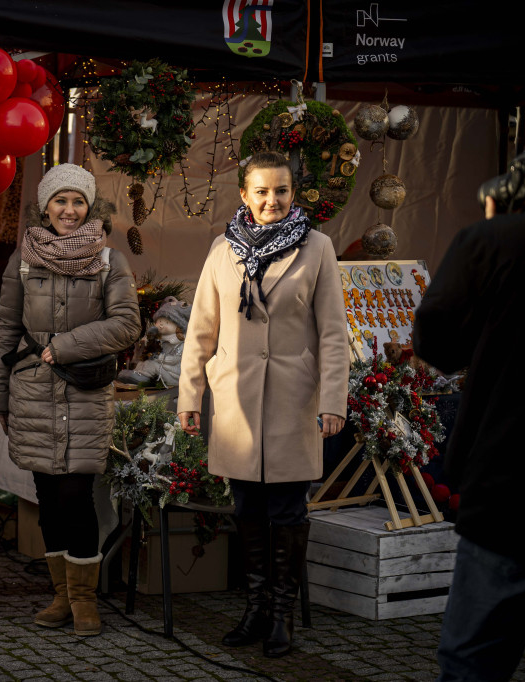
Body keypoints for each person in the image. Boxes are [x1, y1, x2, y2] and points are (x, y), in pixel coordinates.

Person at [177, 151, 349, 658]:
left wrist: (334, 398)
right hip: (235, 401)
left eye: (281, 190)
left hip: (295, 401)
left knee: (288, 510)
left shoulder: (317, 247)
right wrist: (190, 396)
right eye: (262, 191)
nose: (271, 200)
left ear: (293, 193)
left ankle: (281, 615)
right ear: (244, 195)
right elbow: (199, 331)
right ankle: (253, 609)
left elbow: (335, 334)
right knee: (247, 507)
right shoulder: (221, 249)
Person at [0, 163, 141, 637]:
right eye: (60, 201)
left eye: (78, 202)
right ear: (45, 207)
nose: (69, 211)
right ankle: (61, 597)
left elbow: (127, 324)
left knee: (76, 494)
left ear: (90, 206)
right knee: (48, 496)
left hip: (85, 390)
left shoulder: (110, 261)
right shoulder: (24, 258)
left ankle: (85, 600)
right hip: (32, 389)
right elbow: (8, 328)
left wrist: (65, 345)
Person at [414, 189, 525, 682]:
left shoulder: (499, 239)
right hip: (506, 486)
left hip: (510, 485)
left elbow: (438, 342)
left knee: (472, 662)